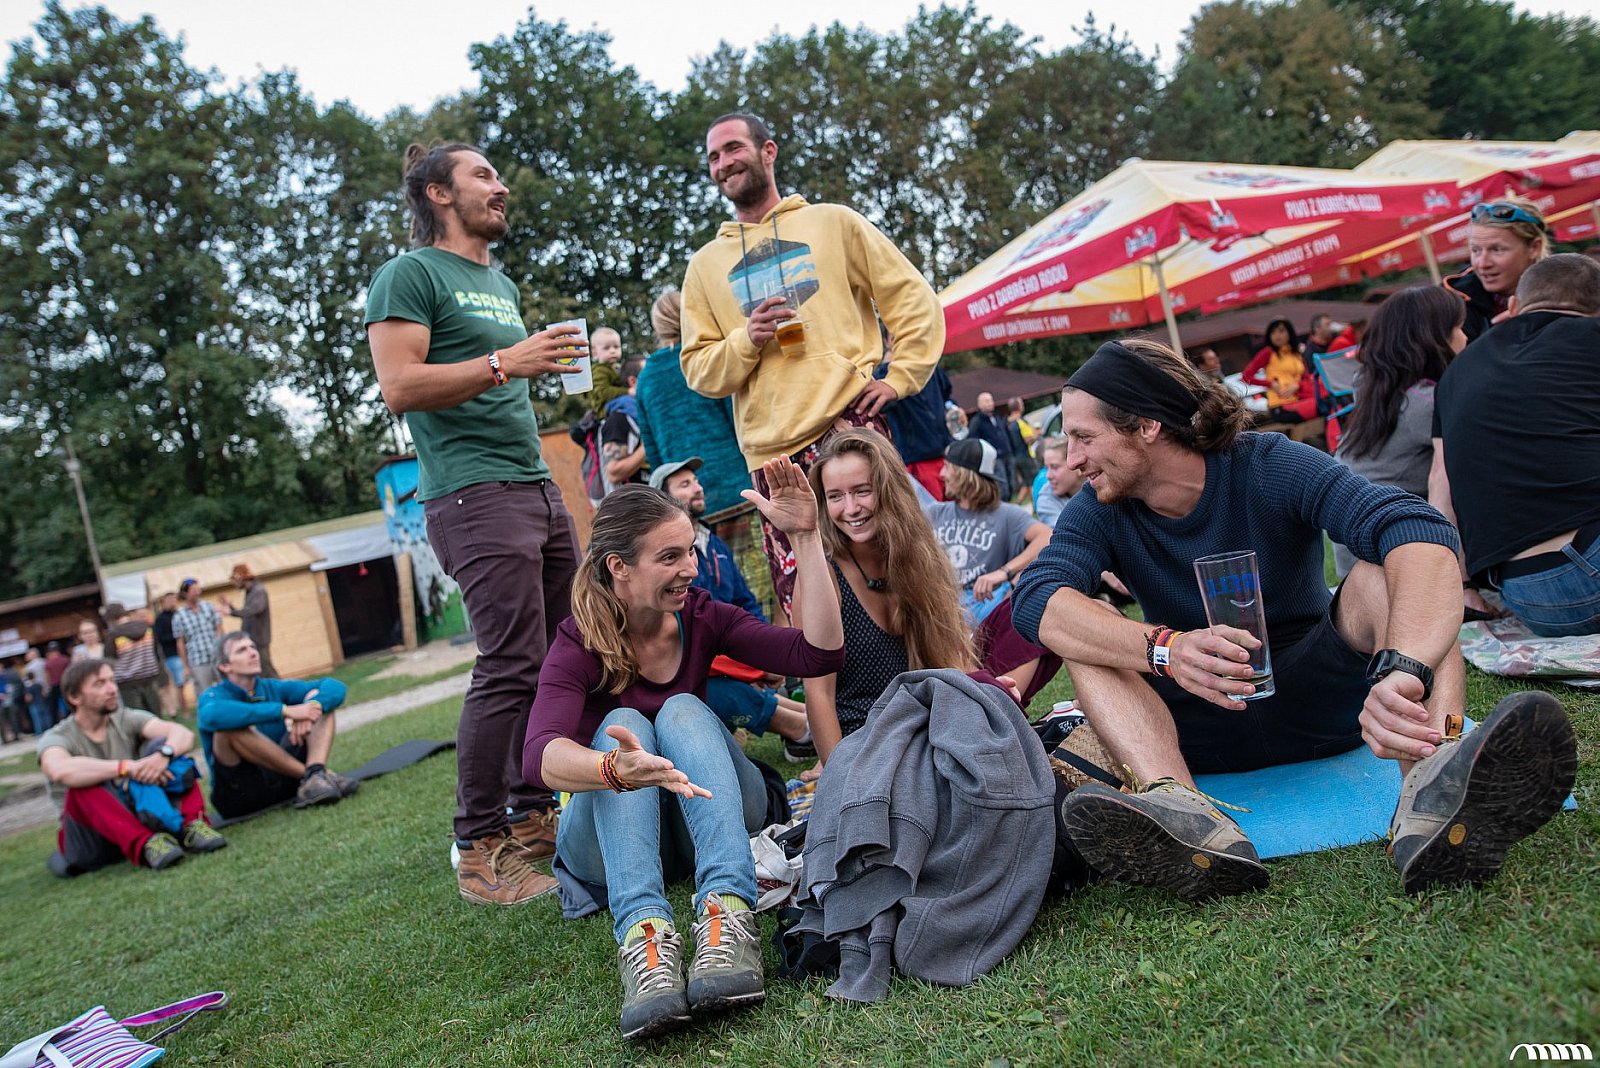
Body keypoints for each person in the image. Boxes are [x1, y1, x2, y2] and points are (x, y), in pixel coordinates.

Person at [1012, 338, 1576, 900]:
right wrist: (1167, 648)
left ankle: (1434, 789)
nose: (1073, 458)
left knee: (1392, 573)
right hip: (1196, 724)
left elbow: (1414, 527)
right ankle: (1185, 816)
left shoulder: (1266, 465)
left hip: (1327, 702)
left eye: (1084, 437)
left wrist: (1405, 669)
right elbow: (1037, 597)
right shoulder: (1099, 507)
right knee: (1086, 627)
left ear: (1146, 425)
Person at [524, 469, 845, 1040]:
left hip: (706, 814)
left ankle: (729, 918)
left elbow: (817, 654)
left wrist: (805, 537)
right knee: (623, 726)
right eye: (670, 557)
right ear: (619, 567)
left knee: (683, 710)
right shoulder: (579, 642)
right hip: (613, 841)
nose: (691, 569)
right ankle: (644, 939)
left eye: (690, 551)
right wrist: (613, 769)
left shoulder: (702, 615)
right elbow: (538, 757)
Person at [367, 141, 585, 904]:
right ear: (438, 193)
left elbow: (502, 375)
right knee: (509, 661)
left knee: (559, 653)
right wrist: (503, 364)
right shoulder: (409, 275)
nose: (501, 187)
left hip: (535, 485)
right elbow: (399, 385)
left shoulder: (501, 282)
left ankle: (532, 815)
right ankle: (478, 846)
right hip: (470, 493)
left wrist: (529, 365)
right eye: (483, 176)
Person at [682, 112, 942, 617]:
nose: (723, 163)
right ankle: (836, 675)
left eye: (733, 148)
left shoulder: (833, 222)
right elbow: (699, 369)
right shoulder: (704, 265)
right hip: (772, 453)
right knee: (805, 595)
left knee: (899, 569)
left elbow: (913, 300)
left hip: (849, 421)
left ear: (768, 151)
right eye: (713, 157)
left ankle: (933, 663)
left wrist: (901, 377)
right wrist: (746, 339)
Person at [1431, 253, 1600, 637]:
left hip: (1532, 599)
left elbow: (1440, 485)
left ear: (1513, 305)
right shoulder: (1590, 335)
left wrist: (1462, 586)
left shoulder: (1457, 372)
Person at [800, 429, 976, 766]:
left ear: (889, 488)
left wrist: (983, 692)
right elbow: (818, 694)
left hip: (930, 732)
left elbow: (949, 657)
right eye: (835, 496)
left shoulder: (919, 559)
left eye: (862, 491)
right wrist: (842, 778)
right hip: (868, 749)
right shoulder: (823, 577)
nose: (850, 508)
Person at [650, 457, 812, 750]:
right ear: (663, 499)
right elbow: (689, 637)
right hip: (700, 665)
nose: (698, 488)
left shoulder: (713, 542)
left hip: (731, 653)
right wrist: (756, 667)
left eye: (696, 481)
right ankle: (801, 729)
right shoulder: (659, 563)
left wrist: (764, 652)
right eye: (685, 485)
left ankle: (811, 720)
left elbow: (744, 601)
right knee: (711, 686)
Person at [38, 658, 226, 875]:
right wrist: (126, 768)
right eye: (100, 684)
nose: (112, 689)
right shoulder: (57, 736)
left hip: (133, 813)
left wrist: (163, 755)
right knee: (83, 784)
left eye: (112, 681)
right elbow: (60, 769)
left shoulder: (124, 717)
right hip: (90, 838)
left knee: (166, 748)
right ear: (74, 697)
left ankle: (192, 827)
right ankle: (146, 843)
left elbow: (182, 734)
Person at [1331, 287, 1466, 577]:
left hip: (1356, 562)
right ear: (1434, 339)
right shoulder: (1425, 404)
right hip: (1391, 564)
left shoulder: (1376, 387)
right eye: (1459, 327)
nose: (1466, 337)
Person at [198, 632, 356, 818]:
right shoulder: (213, 696)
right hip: (241, 795)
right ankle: (315, 776)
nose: (253, 653)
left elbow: (334, 686)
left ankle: (315, 774)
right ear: (225, 666)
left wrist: (312, 708)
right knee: (227, 730)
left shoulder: (271, 687)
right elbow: (212, 715)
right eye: (242, 650)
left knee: (316, 699)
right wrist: (285, 711)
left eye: (253, 647)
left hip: (284, 781)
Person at [636, 289, 749, 516]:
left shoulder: (645, 380)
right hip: (738, 486)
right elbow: (739, 420)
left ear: (658, 327)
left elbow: (653, 451)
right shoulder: (706, 360)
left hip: (684, 506)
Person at [929, 439, 1053, 623]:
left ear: (965, 474)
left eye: (947, 467)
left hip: (983, 610)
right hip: (941, 608)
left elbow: (1048, 536)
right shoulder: (935, 512)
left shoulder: (1007, 515)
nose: (941, 474)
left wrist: (1004, 572)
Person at [1445, 196, 1550, 341]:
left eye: (1497, 250)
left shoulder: (1571, 294)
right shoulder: (1450, 305)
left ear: (1534, 248)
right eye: (1475, 250)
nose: (1482, 264)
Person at [875, 331, 954, 501]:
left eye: (906, 334)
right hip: (917, 460)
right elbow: (877, 402)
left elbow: (947, 395)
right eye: (896, 337)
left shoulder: (928, 365)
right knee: (932, 514)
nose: (903, 341)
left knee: (955, 512)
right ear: (888, 342)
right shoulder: (886, 374)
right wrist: (886, 365)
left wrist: (953, 408)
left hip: (946, 454)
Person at [1241, 318, 1318, 422]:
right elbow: (1246, 376)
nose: (1277, 335)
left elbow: (1306, 378)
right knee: (1322, 405)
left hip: (1301, 399)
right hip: (1280, 405)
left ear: (1289, 333)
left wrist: (1297, 385)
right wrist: (1270, 383)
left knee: (1327, 402)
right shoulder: (1268, 353)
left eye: (1281, 331)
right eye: (1273, 332)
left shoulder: (1296, 354)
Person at [104, 602, 164, 718]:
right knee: (156, 717)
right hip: (150, 677)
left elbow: (109, 662)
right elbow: (156, 652)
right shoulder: (147, 629)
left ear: (111, 619)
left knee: (138, 719)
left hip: (127, 683)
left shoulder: (113, 636)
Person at [600, 356, 649, 495]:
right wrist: (650, 442)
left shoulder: (650, 414)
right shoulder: (619, 418)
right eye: (648, 376)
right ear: (633, 381)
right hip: (632, 504)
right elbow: (613, 473)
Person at [219, 564, 276, 678]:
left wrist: (232, 612)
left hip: (259, 639)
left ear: (241, 578)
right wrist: (230, 607)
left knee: (266, 671)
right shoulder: (250, 591)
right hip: (252, 639)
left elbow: (253, 610)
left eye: (235, 580)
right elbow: (247, 614)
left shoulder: (258, 591)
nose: (234, 583)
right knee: (259, 673)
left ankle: (282, 689)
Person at [172, 578, 224, 693]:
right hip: (197, 661)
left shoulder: (209, 607)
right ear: (185, 593)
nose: (197, 592)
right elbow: (180, 643)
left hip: (217, 657)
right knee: (205, 693)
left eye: (197, 589)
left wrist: (222, 651)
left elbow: (219, 629)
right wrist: (185, 666)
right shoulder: (179, 615)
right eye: (193, 590)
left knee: (226, 687)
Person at [965, 392, 1013, 499]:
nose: (990, 403)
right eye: (986, 401)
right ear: (980, 404)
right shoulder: (976, 422)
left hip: (1007, 454)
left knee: (1011, 482)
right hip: (994, 458)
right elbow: (974, 441)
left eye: (991, 400)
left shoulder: (997, 417)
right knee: (1002, 485)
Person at [1032, 436, 1082, 528]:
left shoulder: (1102, 486)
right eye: (1046, 468)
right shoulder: (1047, 500)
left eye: (1054, 467)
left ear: (1078, 466)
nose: (1048, 476)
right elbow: (1067, 533)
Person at [586, 326, 630, 419]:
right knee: (627, 402)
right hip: (604, 409)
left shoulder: (619, 368)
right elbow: (603, 392)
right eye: (606, 348)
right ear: (594, 353)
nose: (612, 351)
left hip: (616, 403)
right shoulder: (599, 370)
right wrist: (628, 391)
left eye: (616, 347)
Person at [152, 591, 183, 715]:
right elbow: (159, 638)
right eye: (169, 600)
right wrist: (177, 637)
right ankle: (182, 710)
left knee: (185, 682)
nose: (172, 602)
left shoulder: (180, 614)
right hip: (171, 655)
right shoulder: (160, 619)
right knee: (178, 683)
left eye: (174, 599)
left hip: (184, 653)